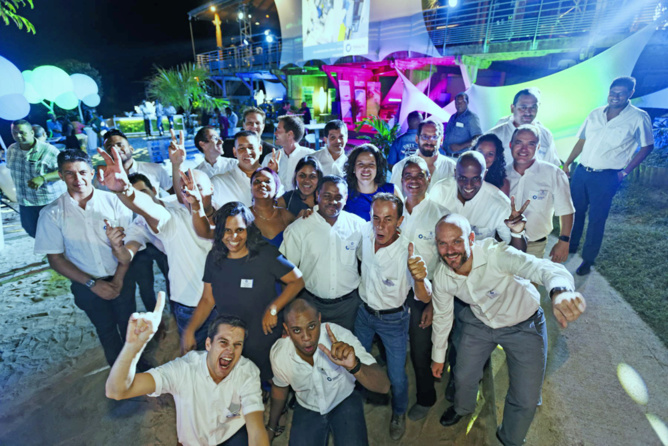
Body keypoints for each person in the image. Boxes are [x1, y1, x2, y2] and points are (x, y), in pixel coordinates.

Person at [431, 214, 586, 446]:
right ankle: (462, 408)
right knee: (463, 375)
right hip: (480, 322)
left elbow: (542, 267)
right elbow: (442, 316)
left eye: (456, 241)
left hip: (524, 324)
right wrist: (438, 356)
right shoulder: (442, 275)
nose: (449, 250)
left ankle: (510, 439)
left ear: (471, 239)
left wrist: (560, 291)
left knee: (526, 398)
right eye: (442, 243)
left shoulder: (496, 254)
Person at [99, 139, 217, 350]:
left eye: (197, 188)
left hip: (226, 300)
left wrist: (176, 164)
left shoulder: (221, 211)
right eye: (187, 190)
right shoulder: (170, 217)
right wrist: (125, 190)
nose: (192, 194)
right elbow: (147, 213)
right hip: (192, 302)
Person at [105, 306, 270, 446]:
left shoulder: (247, 371)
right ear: (208, 344)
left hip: (230, 436)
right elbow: (116, 391)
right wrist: (133, 346)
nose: (230, 351)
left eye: (237, 345)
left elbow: (256, 431)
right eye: (223, 342)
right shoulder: (183, 370)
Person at [182, 202, 304, 383]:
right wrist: (190, 330)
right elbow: (208, 299)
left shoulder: (265, 254)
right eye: (227, 231)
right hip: (230, 340)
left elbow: (297, 281)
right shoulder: (214, 257)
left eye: (239, 230)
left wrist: (273, 309)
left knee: (267, 381)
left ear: (249, 229)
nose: (233, 237)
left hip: (262, 337)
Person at [34, 149, 134, 366]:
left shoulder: (114, 201)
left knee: (131, 328)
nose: (77, 179)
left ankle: (138, 369)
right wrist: (92, 284)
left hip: (122, 275)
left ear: (91, 173)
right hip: (85, 285)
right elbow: (56, 259)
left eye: (82, 172)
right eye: (69, 173)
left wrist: (118, 280)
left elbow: (129, 246)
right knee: (106, 331)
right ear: (60, 176)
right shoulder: (52, 213)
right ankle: (119, 375)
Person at [354, 193, 433, 440]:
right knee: (357, 360)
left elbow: (425, 296)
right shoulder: (365, 234)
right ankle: (356, 398)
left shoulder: (408, 252)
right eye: (376, 218)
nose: (380, 225)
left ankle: (398, 412)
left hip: (393, 321)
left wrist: (419, 278)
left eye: (388, 219)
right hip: (364, 314)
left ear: (400, 221)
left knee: (397, 376)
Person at [267, 297, 391, 445]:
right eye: (297, 330)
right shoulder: (280, 354)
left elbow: (384, 386)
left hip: (344, 398)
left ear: (319, 319)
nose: (306, 337)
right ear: (287, 329)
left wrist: (354, 366)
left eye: (312, 326)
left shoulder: (340, 336)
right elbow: (279, 390)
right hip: (307, 405)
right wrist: (271, 427)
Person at [563, 76, 654, 276]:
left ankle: (588, 260)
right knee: (575, 212)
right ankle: (570, 246)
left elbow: (647, 146)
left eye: (621, 93)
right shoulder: (595, 114)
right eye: (613, 92)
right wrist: (568, 162)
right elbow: (582, 141)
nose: (615, 96)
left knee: (597, 219)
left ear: (630, 94)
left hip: (607, 177)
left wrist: (625, 172)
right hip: (582, 172)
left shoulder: (638, 117)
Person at [397, 155, 449, 421]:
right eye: (409, 176)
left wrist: (433, 303)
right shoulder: (393, 209)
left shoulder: (441, 215)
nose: (414, 181)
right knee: (394, 348)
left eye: (420, 176)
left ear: (429, 179)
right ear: (401, 180)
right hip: (392, 292)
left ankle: (426, 398)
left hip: (423, 296)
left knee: (420, 351)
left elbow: (446, 264)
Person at [281, 176, 366, 331]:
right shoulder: (299, 229)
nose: (333, 201)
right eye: (327, 196)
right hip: (311, 305)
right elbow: (285, 273)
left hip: (349, 307)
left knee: (349, 345)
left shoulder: (359, 226)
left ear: (346, 198)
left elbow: (369, 260)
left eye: (338, 197)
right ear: (317, 195)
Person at [429, 151, 527, 251]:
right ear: (455, 172)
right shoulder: (439, 191)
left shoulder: (499, 203)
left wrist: (517, 232)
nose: (468, 185)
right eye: (463, 178)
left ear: (484, 174)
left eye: (475, 179)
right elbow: (427, 232)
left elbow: (517, 252)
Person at [506, 125, 575, 261]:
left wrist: (564, 241)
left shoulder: (554, 174)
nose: (524, 149)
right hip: (502, 242)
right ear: (510, 145)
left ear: (538, 147)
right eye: (519, 142)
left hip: (534, 246)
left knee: (530, 276)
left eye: (531, 144)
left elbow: (566, 209)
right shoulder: (502, 174)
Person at [7, 120, 66, 237]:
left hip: (48, 202)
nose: (18, 136)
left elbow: (64, 172)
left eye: (22, 132)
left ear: (31, 133)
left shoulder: (49, 150)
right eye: (15, 133)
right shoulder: (12, 149)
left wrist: (43, 178)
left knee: (55, 234)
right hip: (25, 202)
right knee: (33, 231)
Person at [487, 88, 561, 166]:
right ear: (512, 108)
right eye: (523, 107)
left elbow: (554, 165)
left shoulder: (545, 134)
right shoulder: (495, 135)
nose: (528, 112)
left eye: (533, 107)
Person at [390, 118, 456, 194]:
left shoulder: (451, 167)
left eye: (434, 137)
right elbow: (394, 198)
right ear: (417, 139)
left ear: (441, 140)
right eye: (425, 136)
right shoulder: (400, 167)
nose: (429, 141)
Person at [100, 129, 173, 194]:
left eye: (119, 145)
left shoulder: (155, 169)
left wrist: (176, 165)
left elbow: (174, 192)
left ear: (131, 149)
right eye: (110, 147)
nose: (115, 149)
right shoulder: (104, 180)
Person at [210, 130, 268, 208]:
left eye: (251, 147)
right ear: (234, 152)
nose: (247, 152)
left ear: (260, 149)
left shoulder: (272, 179)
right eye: (241, 148)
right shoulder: (219, 183)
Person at [343, 143, 398, 221]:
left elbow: (404, 220)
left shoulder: (391, 190)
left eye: (371, 164)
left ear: (377, 168)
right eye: (361, 164)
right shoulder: (344, 192)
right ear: (353, 168)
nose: (366, 168)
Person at [262, 115, 314, 191]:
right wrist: (272, 173)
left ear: (289, 134)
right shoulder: (270, 159)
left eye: (278, 129)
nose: (275, 133)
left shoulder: (310, 157)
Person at [249, 167, 295, 248]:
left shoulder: (286, 216)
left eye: (267, 181)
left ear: (276, 188)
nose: (262, 184)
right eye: (257, 181)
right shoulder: (244, 216)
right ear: (251, 188)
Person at [442, 93, 482, 157]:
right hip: (447, 155)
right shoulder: (452, 117)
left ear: (467, 102)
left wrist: (460, 146)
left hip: (461, 157)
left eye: (462, 102)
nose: (459, 104)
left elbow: (478, 137)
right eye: (457, 102)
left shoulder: (471, 117)